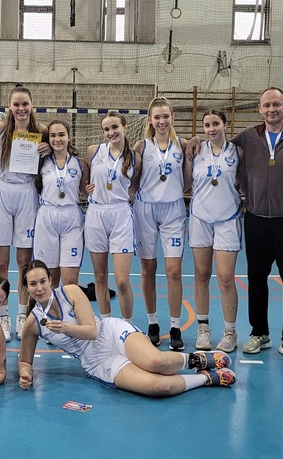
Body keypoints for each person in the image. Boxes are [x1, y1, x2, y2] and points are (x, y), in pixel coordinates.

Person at [188, 88, 283, 363]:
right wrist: (195, 140)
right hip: (256, 220)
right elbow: (218, 142)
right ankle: (259, 333)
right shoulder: (249, 136)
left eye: (276, 104)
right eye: (267, 105)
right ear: (259, 109)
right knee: (256, 281)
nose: (272, 109)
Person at [17, 260, 236, 396]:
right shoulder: (33, 323)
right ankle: (206, 378)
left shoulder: (71, 292)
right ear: (26, 288)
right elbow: (25, 361)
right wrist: (25, 374)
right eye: (33, 284)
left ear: (50, 280)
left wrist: (64, 327)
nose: (39, 288)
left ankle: (197, 360)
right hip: (97, 361)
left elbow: (92, 332)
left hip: (110, 333)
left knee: (157, 362)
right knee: (158, 387)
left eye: (43, 281)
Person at [0, 85, 50, 341]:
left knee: (24, 262)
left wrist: (48, 151)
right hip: (1, 193)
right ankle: (2, 315)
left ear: (32, 105)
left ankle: (23, 314)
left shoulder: (42, 131)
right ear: (9, 107)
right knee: (0, 262)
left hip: (26, 193)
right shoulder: (1, 129)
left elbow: (58, 156)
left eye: (25, 104)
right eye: (16, 104)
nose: (21, 108)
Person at [183, 109, 243, 353]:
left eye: (216, 123)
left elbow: (246, 181)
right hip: (200, 218)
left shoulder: (238, 152)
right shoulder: (196, 150)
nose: (211, 129)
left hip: (228, 218)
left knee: (226, 278)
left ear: (225, 124)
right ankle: (203, 327)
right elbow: (186, 183)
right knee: (201, 274)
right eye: (207, 125)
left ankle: (230, 331)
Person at [133, 97, 188, 351]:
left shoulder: (183, 145)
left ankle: (175, 326)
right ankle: (153, 322)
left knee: (174, 270)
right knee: (148, 269)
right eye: (157, 117)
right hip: (145, 209)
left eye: (166, 116)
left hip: (173, 210)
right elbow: (132, 179)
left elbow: (188, 179)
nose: (162, 121)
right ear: (150, 120)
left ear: (172, 118)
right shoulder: (141, 146)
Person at [84, 112, 140, 322]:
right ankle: (106, 324)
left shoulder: (135, 157)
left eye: (115, 127)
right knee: (99, 276)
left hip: (120, 214)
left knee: (122, 281)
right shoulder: (93, 151)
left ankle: (127, 326)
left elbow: (134, 187)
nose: (111, 132)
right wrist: (86, 189)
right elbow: (85, 181)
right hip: (96, 214)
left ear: (125, 127)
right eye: (106, 129)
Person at [32, 120, 89, 288]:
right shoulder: (40, 162)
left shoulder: (80, 164)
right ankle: (51, 307)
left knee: (70, 280)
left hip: (72, 218)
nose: (57, 139)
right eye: (53, 135)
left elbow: (86, 192)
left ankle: (70, 306)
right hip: (47, 217)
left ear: (69, 137)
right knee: (49, 279)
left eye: (61, 135)